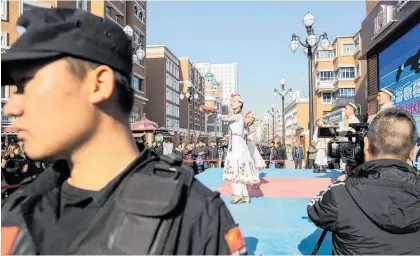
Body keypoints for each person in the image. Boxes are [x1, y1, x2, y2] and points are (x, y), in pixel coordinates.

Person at [1, 9, 245, 255]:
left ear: (98, 85)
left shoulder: (193, 216)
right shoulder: (20, 209)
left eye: (27, 84)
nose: (12, 106)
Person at [307, 107, 420, 255]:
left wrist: (340, 182)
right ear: (413, 152)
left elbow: (314, 209)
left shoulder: (341, 194)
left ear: (366, 145)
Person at [218, 94, 260, 204]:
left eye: (235, 101)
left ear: (240, 103)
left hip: (237, 144)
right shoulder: (240, 118)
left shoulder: (238, 116)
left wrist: (213, 112)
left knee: (235, 167)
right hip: (237, 143)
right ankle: (244, 195)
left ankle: (239, 194)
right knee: (238, 168)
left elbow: (225, 118)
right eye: (232, 101)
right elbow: (246, 130)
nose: (232, 103)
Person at [244, 111, 265, 188]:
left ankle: (255, 180)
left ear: (252, 119)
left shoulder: (254, 127)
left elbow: (257, 138)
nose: (247, 119)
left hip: (251, 146)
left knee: (255, 163)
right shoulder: (243, 126)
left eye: (249, 117)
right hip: (243, 146)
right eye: (246, 117)